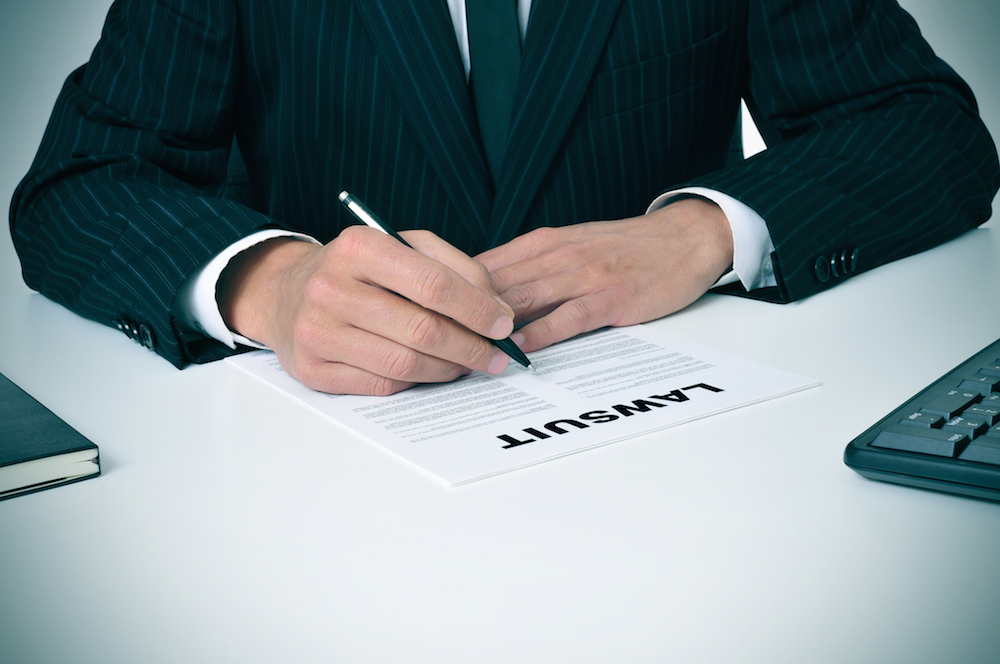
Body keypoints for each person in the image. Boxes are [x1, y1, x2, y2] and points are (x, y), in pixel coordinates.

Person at [10, 0, 999, 396]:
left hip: (684, 466)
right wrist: (272, 285)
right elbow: (81, 183)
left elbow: (928, 131)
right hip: (332, 483)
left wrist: (700, 231)